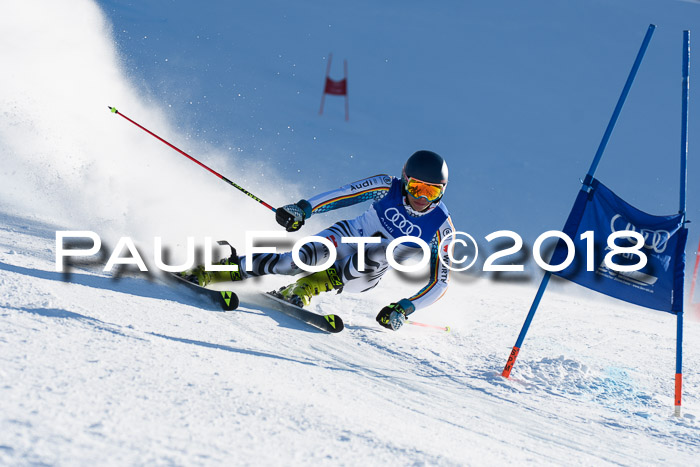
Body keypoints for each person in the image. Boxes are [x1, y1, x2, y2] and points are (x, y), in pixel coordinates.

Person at [183, 150, 455, 331]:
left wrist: (405, 307)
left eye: (431, 192)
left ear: (441, 192)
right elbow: (343, 194)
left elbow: (441, 280)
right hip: (348, 236)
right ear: (405, 181)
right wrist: (303, 209)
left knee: (384, 250)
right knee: (297, 260)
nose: (422, 198)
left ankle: (307, 288)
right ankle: (219, 270)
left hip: (365, 274)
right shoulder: (387, 186)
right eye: (417, 187)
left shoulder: (441, 228)